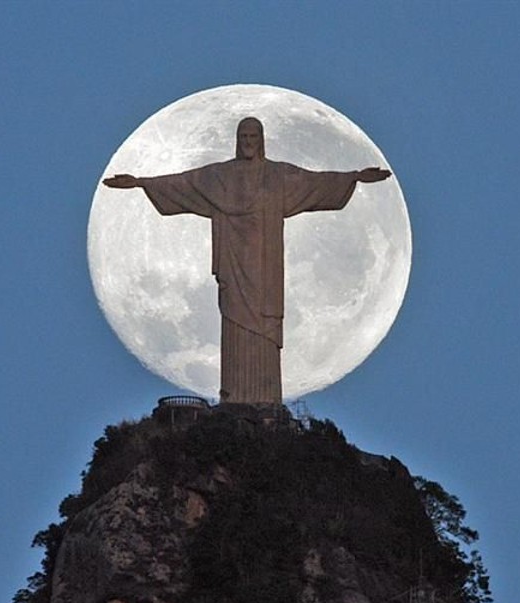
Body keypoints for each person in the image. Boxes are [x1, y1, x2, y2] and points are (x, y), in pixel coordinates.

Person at [103, 117, 390, 405]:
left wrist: (353, 176)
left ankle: (266, 401)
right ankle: (234, 398)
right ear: (237, 140)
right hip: (233, 268)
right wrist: (141, 183)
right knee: (234, 325)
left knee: (265, 329)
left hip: (266, 274)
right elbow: (185, 182)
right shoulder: (220, 177)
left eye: (254, 136)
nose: (249, 142)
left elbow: (315, 181)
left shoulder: (278, 177)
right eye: (244, 137)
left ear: (262, 140)